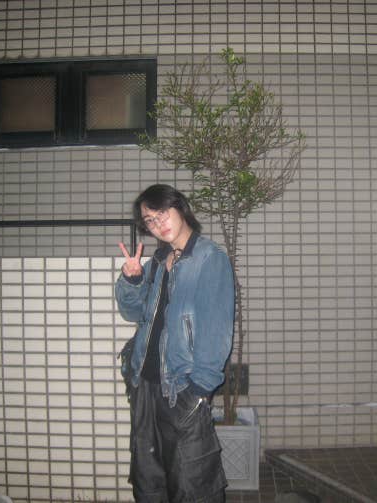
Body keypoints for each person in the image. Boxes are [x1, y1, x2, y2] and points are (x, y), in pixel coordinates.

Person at [115, 183, 235, 503]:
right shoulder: (158, 261)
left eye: (162, 213)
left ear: (180, 207)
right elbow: (133, 313)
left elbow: (217, 330)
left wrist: (199, 390)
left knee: (191, 482)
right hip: (146, 385)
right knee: (149, 477)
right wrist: (132, 279)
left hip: (182, 388)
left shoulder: (209, 259)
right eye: (150, 220)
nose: (158, 224)